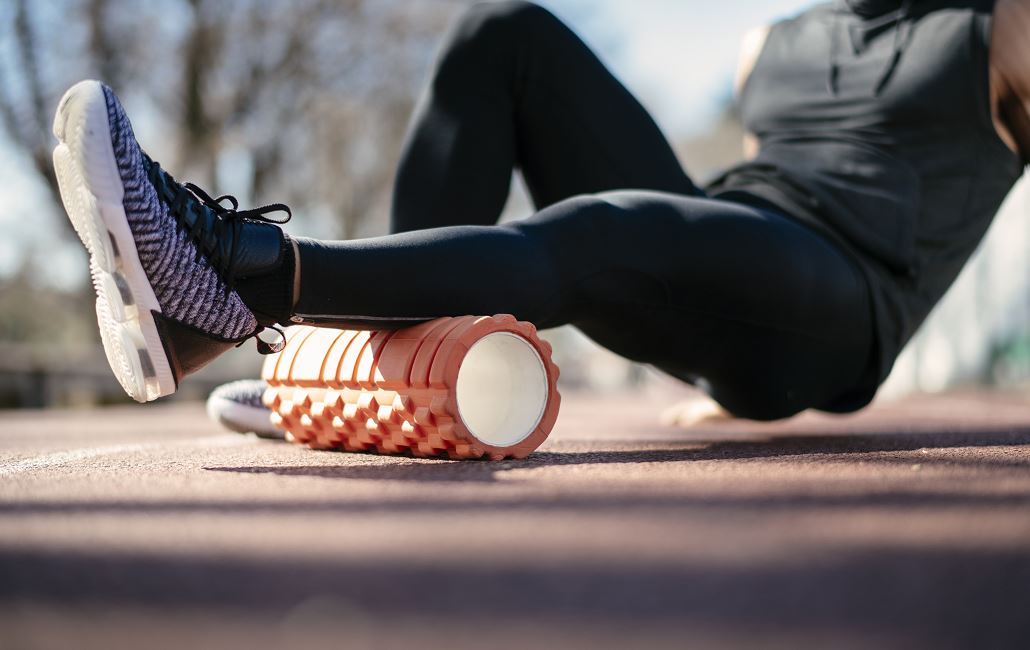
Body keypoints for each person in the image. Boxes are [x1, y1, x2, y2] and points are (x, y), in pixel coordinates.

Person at [52, 0, 1028, 428]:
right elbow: (739, 204)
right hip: (735, 248)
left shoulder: (1002, 28)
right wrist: (719, 337)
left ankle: (241, 276)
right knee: (503, 33)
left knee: (608, 228)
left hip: (840, 301)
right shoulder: (773, 42)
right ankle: (375, 374)